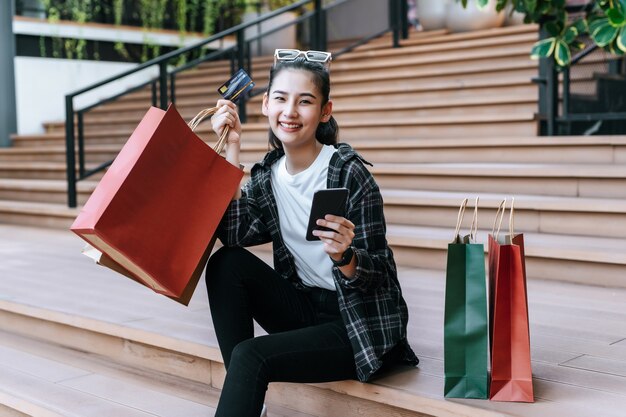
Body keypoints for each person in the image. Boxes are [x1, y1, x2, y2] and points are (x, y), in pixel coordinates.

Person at [206, 49, 418, 417]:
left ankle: (245, 391)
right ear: (265, 106)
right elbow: (235, 232)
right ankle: (247, 396)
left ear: (324, 112)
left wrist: (346, 257)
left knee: (250, 355)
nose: (290, 112)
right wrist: (232, 144)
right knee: (225, 264)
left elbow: (379, 274)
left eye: (304, 102)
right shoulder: (268, 176)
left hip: (355, 323)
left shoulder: (349, 175)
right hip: (304, 308)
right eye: (281, 99)